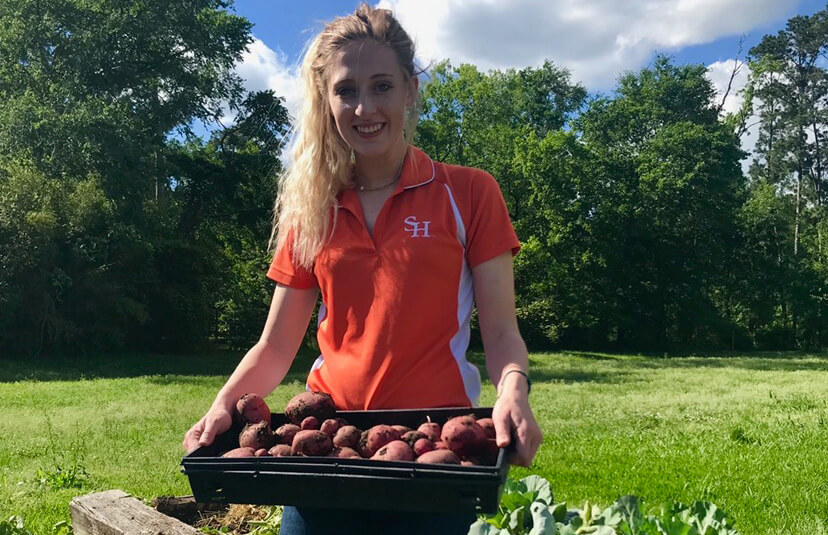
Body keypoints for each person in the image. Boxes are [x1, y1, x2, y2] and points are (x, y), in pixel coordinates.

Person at [183, 4, 542, 534]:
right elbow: (276, 345)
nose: (364, 107)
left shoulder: (467, 193)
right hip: (329, 448)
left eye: (381, 86)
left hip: (433, 449)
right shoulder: (312, 207)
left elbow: (502, 330)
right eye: (346, 90)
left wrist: (513, 388)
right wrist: (222, 405)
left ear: (410, 90)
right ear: (325, 102)